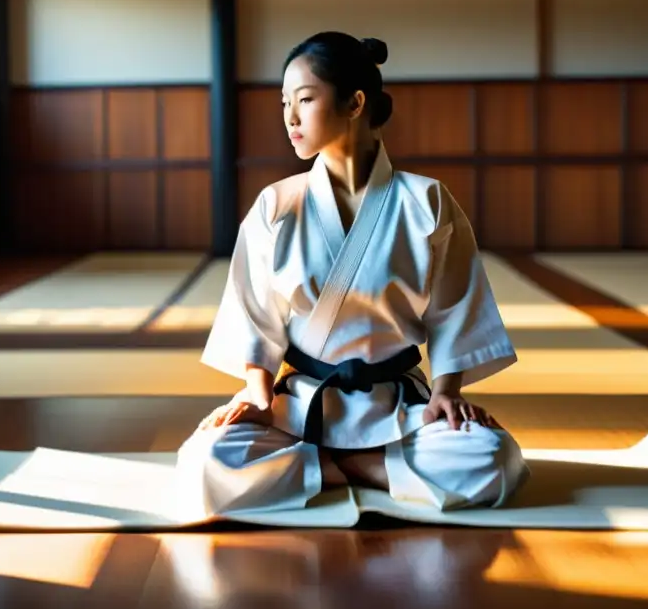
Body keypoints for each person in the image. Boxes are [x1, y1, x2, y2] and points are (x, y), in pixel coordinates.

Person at [175, 31, 528, 517]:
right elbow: (253, 315)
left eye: (304, 100)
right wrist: (258, 396)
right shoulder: (277, 206)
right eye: (284, 103)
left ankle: (332, 466)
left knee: (494, 459)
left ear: (355, 102)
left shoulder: (425, 202)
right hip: (301, 401)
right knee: (204, 461)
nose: (289, 118)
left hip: (397, 403)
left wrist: (446, 395)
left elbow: (456, 309)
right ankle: (370, 468)